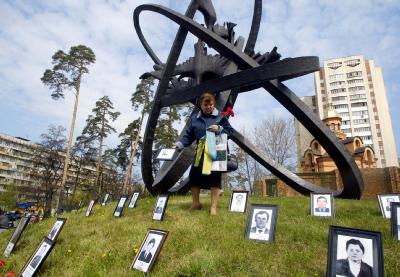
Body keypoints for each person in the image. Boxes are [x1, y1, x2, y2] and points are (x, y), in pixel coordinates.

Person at [176, 92, 233, 215]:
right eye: (205, 105)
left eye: (211, 104)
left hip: (217, 151)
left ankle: (213, 207)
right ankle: (196, 203)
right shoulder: (194, 119)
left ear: (214, 104)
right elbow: (189, 135)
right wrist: (180, 144)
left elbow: (230, 132)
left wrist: (220, 129)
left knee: (215, 178)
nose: (208, 107)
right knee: (194, 177)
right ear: (201, 105)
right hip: (201, 151)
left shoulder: (221, 118)